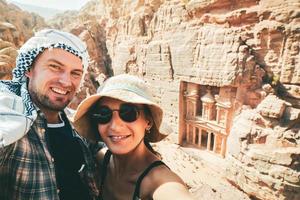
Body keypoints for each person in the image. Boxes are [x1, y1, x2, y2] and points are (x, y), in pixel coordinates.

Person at [0, 29, 99, 200]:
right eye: (55, 67)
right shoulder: (11, 117)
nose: (66, 82)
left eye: (75, 73)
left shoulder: (76, 120)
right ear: (29, 68)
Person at [73, 74, 195, 200]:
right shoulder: (103, 159)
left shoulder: (160, 182)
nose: (115, 126)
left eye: (128, 113)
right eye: (104, 114)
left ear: (148, 122)